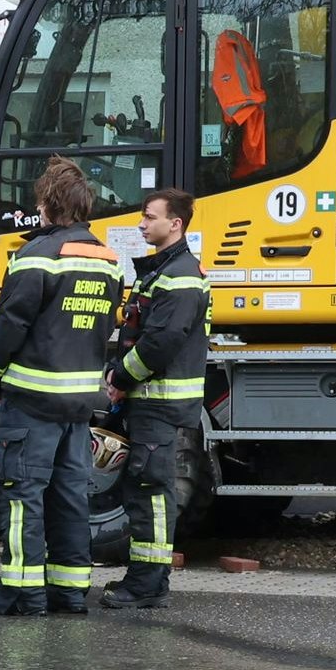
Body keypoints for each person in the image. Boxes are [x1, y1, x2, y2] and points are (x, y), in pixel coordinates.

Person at [0, 157, 125, 617]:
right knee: (70, 498)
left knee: (21, 496)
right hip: (80, 403)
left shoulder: (35, 257)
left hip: (32, 400)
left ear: (46, 204)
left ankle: (22, 594)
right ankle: (69, 592)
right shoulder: (109, 262)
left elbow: (8, 328)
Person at [102, 186, 209, 607]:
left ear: (175, 224)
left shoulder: (179, 276)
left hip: (158, 405)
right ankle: (148, 581)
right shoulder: (166, 270)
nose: (141, 224)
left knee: (151, 493)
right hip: (153, 403)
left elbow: (160, 343)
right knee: (145, 491)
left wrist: (120, 376)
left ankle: (146, 585)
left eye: (149, 217)